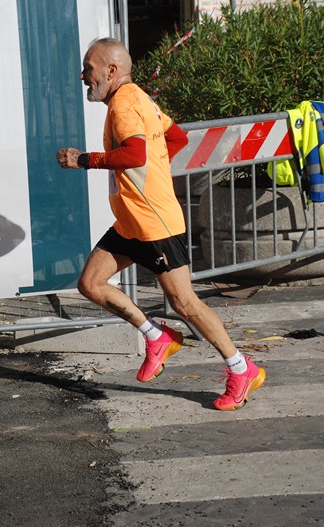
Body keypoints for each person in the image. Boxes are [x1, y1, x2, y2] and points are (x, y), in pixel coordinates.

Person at [56, 38, 266, 411]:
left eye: (88, 69)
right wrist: (155, 172)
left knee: (185, 303)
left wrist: (83, 160)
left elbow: (135, 154)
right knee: (90, 283)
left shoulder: (123, 104)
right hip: (131, 220)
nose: (82, 76)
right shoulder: (140, 98)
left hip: (154, 224)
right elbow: (175, 136)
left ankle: (242, 368)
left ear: (111, 71)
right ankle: (156, 336)